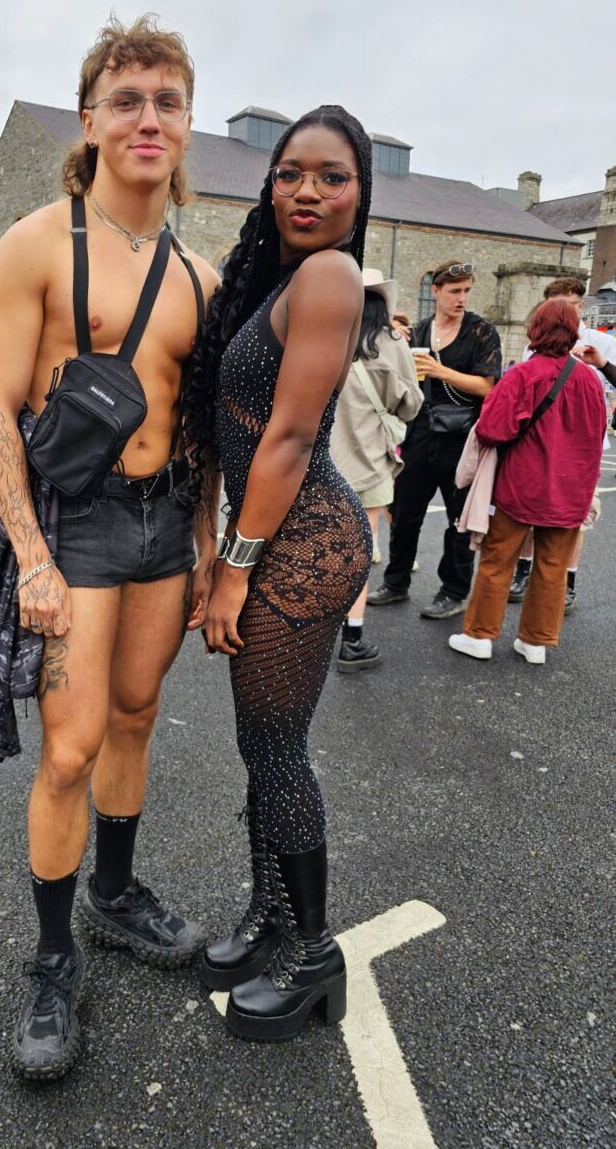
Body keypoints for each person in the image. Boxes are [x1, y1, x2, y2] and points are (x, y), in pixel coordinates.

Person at [0, 16, 219, 1079]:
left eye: (166, 100)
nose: (148, 118)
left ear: (187, 119)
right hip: (73, 527)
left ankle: (115, 897)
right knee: (67, 748)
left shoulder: (201, 273)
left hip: (166, 524)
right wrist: (28, 552)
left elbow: (201, 427)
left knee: (134, 717)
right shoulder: (36, 241)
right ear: (91, 119)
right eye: (128, 99)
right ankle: (53, 957)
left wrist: (207, 548)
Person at [185, 104, 373, 1041]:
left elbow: (292, 434)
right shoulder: (282, 281)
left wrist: (231, 569)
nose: (306, 190)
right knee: (262, 747)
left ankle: (312, 955)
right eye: (291, 171)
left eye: (331, 176)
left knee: (278, 752)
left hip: (301, 548)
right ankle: (269, 913)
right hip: (278, 540)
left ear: (358, 191)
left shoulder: (334, 275)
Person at [449, 300, 606, 666]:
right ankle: (536, 642)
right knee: (553, 566)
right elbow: (598, 433)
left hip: (521, 483)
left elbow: (492, 430)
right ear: (574, 331)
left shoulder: (523, 375)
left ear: (534, 329)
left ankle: (480, 636)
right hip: (572, 488)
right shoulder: (588, 380)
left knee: (497, 560)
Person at [368, 261, 502, 618]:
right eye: (455, 291)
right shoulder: (421, 330)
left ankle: (453, 591)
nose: (462, 298)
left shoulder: (481, 332)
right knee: (405, 514)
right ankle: (396, 583)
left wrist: (441, 371)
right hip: (419, 434)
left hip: (461, 439)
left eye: (466, 291)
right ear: (436, 291)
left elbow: (487, 386)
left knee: (458, 520)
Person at [330, 271, 422, 671]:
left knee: (318, 551)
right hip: (369, 465)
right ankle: (352, 639)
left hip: (319, 466)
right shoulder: (392, 342)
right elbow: (410, 404)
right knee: (359, 554)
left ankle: (307, 632)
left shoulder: (323, 335)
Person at [509, 277, 615, 610]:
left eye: (567, 305)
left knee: (575, 517)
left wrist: (602, 369)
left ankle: (567, 582)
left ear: (581, 306)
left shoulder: (601, 342)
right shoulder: (534, 343)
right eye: (552, 306)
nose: (559, 313)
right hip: (539, 442)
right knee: (528, 512)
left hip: (583, 449)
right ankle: (523, 573)